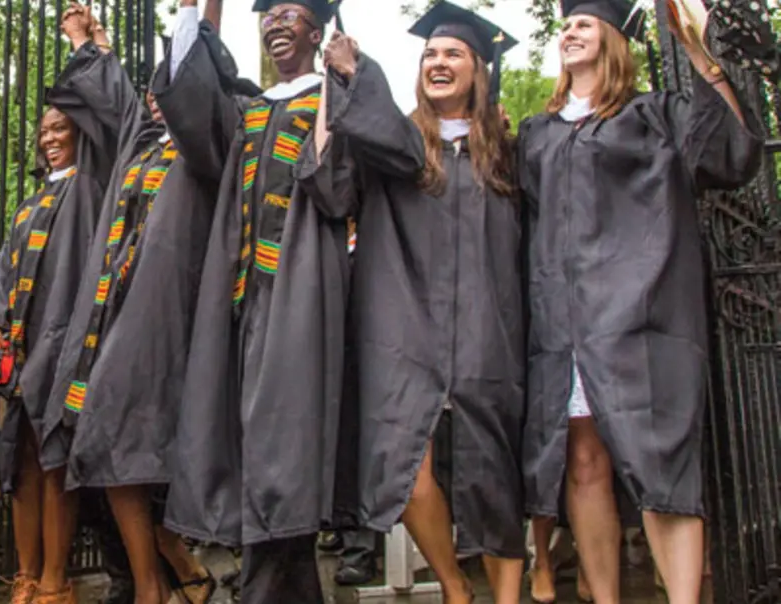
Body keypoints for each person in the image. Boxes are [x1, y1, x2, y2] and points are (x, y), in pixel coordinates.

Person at [518, 1, 762, 603]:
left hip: (640, 317)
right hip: (564, 323)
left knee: (662, 469)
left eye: (584, 23)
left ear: (611, 40)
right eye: (566, 25)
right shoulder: (538, 133)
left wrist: (703, 58)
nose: (571, 31)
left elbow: (732, 154)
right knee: (583, 461)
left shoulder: (653, 114)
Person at [306, 2, 527, 602]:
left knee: (496, 469)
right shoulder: (394, 143)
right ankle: (456, 588)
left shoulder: (508, 151)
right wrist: (339, 88)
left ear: (478, 70)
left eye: (453, 53)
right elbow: (329, 191)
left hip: (488, 321)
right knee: (404, 467)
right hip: (404, 320)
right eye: (430, 53)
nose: (438, 61)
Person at [151, 0, 354, 601]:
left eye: (290, 13)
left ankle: (261, 591)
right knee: (251, 441)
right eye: (267, 14)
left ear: (317, 32)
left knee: (280, 445)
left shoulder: (336, 94)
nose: (275, 22)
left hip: (302, 296)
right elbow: (189, 107)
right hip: (239, 301)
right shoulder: (249, 110)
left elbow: (339, 189)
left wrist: (343, 87)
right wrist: (190, 12)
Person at [40, 3, 237, 602]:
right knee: (99, 437)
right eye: (153, 92)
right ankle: (160, 575)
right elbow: (116, 100)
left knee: (131, 435)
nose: (157, 99)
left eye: (168, 89)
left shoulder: (210, 144)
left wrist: (203, 13)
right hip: (107, 315)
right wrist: (89, 41)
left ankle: (165, 573)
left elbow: (195, 80)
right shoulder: (142, 145)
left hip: (166, 320)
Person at [0, 9, 122, 602]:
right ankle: (27, 575)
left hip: (64, 348)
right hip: (21, 351)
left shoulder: (92, 188)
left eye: (61, 127)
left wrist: (87, 46)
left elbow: (108, 111)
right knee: (21, 468)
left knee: (55, 462)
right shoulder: (30, 204)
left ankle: (58, 582)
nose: (49, 135)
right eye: (43, 129)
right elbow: (4, 272)